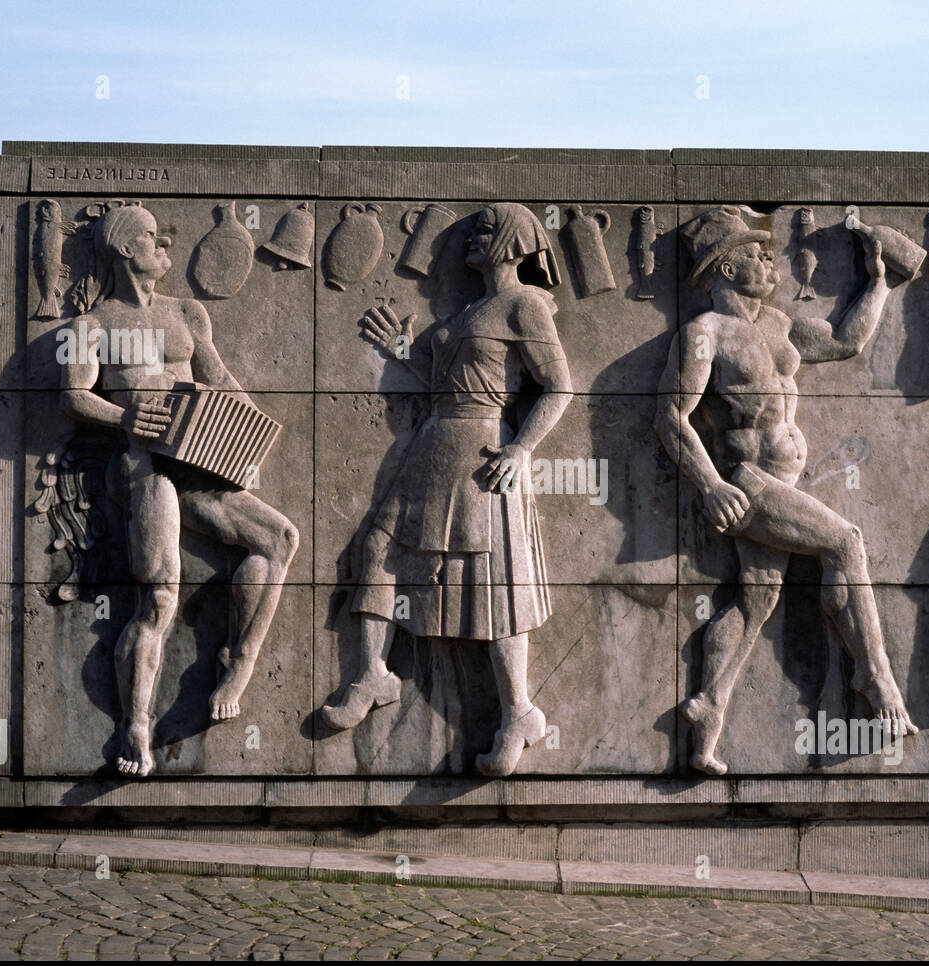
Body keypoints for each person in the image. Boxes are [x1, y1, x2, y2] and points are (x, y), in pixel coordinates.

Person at [656, 205, 917, 776]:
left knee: (755, 600)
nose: (768, 260)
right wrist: (710, 487)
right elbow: (671, 417)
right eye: (754, 253)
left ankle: (709, 712)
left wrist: (878, 283)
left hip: (784, 478)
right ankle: (874, 676)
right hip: (748, 484)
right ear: (724, 269)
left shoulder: (777, 325)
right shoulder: (704, 334)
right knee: (845, 542)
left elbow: (845, 342)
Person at [321, 203, 573, 778]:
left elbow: (559, 387)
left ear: (514, 242)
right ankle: (371, 677)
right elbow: (445, 384)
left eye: (486, 231)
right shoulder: (467, 311)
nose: (470, 240)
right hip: (434, 447)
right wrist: (406, 353)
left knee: (494, 585)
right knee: (377, 551)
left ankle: (518, 713)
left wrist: (522, 449)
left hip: (485, 452)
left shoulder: (526, 305)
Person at [60, 203, 299, 777]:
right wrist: (121, 419)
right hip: (143, 464)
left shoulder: (187, 313)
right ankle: (135, 726)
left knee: (279, 538)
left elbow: (220, 380)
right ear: (122, 248)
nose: (163, 242)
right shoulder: (91, 326)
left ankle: (238, 660)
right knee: (161, 595)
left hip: (198, 454)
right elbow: (72, 395)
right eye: (150, 235)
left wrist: (247, 432)